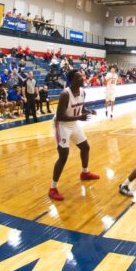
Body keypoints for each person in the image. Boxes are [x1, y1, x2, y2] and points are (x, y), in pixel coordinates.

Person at [49, 70, 99, 201]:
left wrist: (88, 111)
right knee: (64, 155)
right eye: (79, 77)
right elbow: (60, 116)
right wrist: (79, 117)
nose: (82, 78)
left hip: (73, 123)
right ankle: (52, 188)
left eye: (82, 76)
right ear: (72, 80)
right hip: (62, 125)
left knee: (85, 147)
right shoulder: (65, 94)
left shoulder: (83, 92)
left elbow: (80, 108)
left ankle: (85, 173)